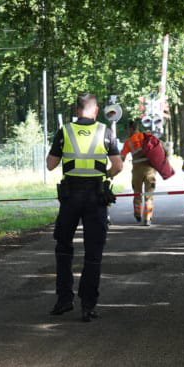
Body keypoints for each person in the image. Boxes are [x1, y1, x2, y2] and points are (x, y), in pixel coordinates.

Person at [46, 93, 124, 321]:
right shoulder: (105, 131)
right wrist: (104, 174)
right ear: (96, 110)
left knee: (63, 248)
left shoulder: (65, 131)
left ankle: (64, 300)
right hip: (96, 196)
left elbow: (51, 165)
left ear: (77, 110)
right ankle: (88, 305)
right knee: (93, 253)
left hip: (70, 197)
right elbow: (118, 166)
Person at [123, 118, 158, 225]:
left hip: (137, 171)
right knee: (149, 195)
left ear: (131, 128)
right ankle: (147, 219)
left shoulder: (129, 141)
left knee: (137, 193)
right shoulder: (146, 137)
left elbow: (122, 157)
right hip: (150, 170)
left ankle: (138, 214)